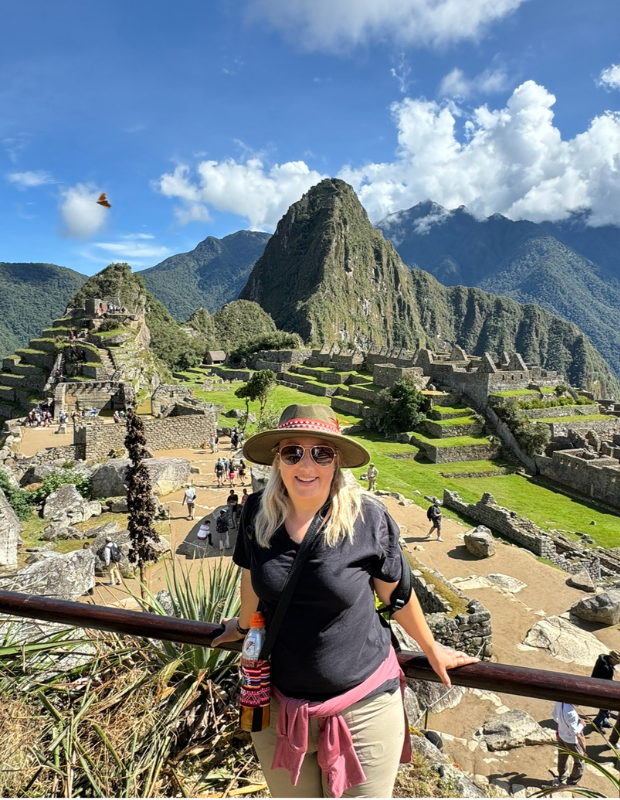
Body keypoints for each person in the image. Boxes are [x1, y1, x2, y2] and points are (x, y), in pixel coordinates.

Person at [213, 403, 477, 799]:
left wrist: (430, 646)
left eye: (321, 452)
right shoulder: (256, 513)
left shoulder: (367, 517)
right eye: (293, 452)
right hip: (278, 707)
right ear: (277, 461)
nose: (307, 465)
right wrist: (242, 625)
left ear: (337, 462)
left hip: (364, 708)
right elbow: (252, 579)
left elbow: (395, 595)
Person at [551, 702, 586, 786]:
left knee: (562, 756)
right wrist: (581, 725)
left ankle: (562, 776)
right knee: (580, 761)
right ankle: (572, 782)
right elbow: (573, 732)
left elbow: (554, 715)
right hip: (571, 741)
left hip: (561, 735)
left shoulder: (559, 703)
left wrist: (562, 724)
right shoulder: (571, 712)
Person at [591, 651, 620, 729]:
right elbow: (607, 683)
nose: (617, 663)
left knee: (606, 707)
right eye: (617, 661)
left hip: (598, 684)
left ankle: (603, 721)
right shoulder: (606, 668)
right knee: (605, 706)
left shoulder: (604, 659)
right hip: (600, 688)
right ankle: (597, 723)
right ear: (611, 658)